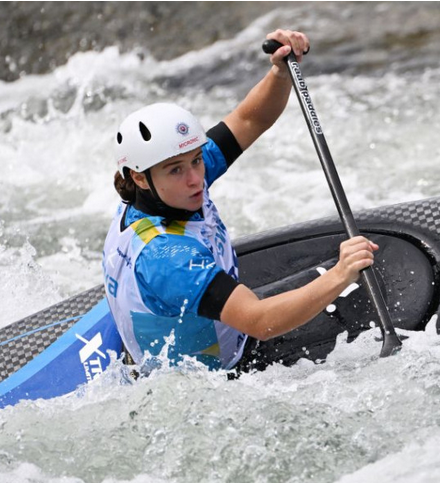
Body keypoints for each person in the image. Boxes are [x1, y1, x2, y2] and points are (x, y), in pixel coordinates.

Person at [102, 30, 378, 371]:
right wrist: (340, 275)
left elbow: (250, 119)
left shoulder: (166, 188)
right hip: (213, 381)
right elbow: (260, 321)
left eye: (196, 161)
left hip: (199, 326)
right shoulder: (169, 259)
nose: (196, 179)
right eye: (176, 170)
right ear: (139, 177)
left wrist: (279, 72)